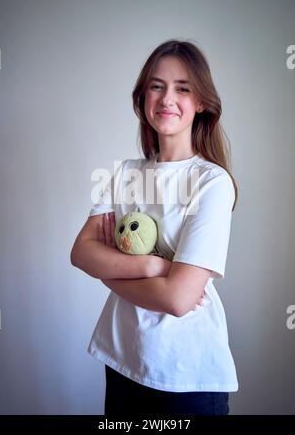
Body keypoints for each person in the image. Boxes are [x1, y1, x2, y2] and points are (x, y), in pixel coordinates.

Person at [70, 39, 239, 416]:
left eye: (183, 88)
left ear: (201, 103)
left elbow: (179, 300)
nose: (166, 98)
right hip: (121, 359)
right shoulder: (127, 173)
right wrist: (153, 267)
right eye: (156, 86)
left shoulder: (211, 182)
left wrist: (108, 270)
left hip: (184, 378)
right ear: (143, 97)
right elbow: (81, 252)